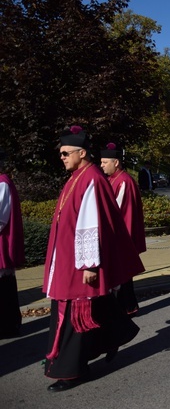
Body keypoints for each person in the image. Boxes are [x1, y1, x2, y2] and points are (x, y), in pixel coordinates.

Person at [43, 126, 144, 392]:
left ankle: (73, 371)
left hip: (80, 263)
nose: (62, 157)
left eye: (66, 153)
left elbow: (90, 224)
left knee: (75, 314)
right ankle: (116, 334)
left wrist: (89, 264)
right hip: (69, 259)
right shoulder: (79, 176)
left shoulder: (90, 179)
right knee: (92, 308)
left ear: (81, 152)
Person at [100, 142, 146, 316]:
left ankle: (127, 306)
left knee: (123, 273)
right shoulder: (112, 180)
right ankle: (127, 305)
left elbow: (116, 211)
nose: (102, 165)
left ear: (116, 162)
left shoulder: (124, 181)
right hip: (118, 235)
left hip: (122, 236)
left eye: (105, 162)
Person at [0, 147, 24, 339]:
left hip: (1, 243)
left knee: (4, 287)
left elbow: (1, 218)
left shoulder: (2, 183)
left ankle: (9, 326)